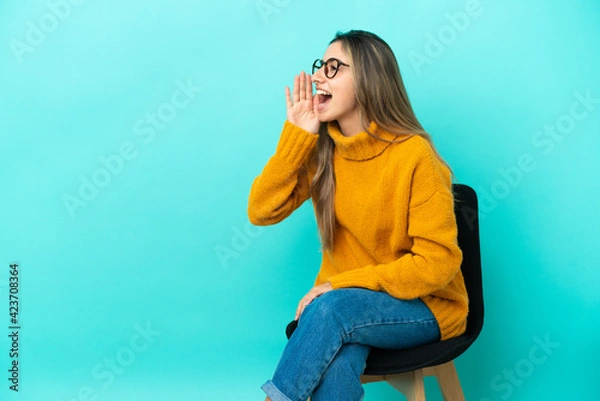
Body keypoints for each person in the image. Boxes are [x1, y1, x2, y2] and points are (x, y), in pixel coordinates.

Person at [247, 30, 468, 401]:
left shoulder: (414, 156)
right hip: (342, 311)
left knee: (330, 311)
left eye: (333, 68)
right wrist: (296, 136)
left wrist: (341, 285)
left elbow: (437, 263)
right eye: (320, 67)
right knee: (335, 360)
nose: (317, 77)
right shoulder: (323, 154)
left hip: (426, 306)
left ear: (368, 78)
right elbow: (261, 211)